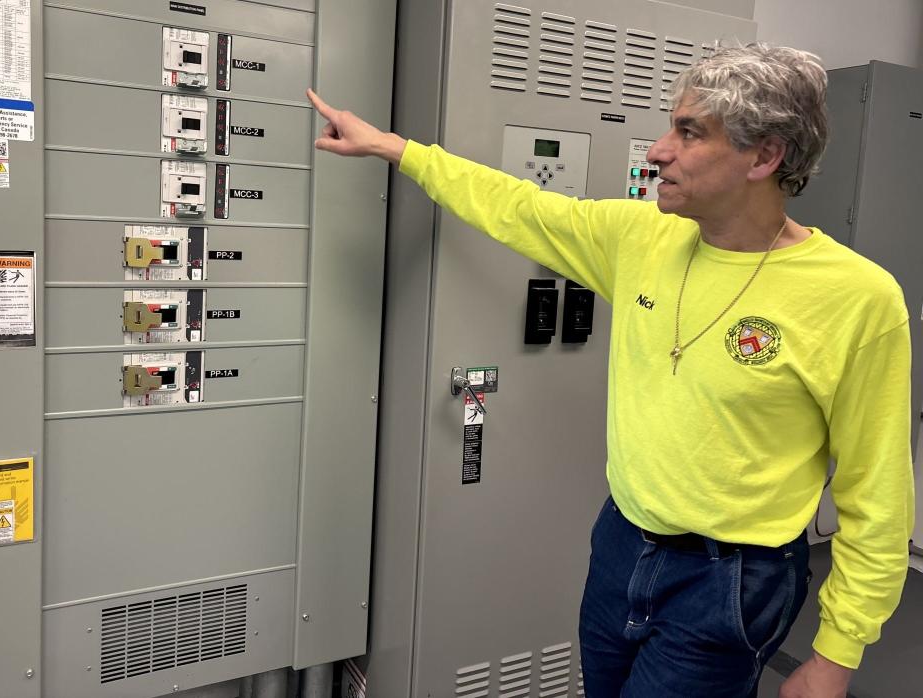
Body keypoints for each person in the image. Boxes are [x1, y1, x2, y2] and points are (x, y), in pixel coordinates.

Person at [307, 43, 914, 698]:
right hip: (623, 545)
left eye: (689, 132)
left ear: (764, 156)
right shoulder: (640, 238)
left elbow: (876, 493)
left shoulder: (856, 299)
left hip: (731, 577)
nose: (657, 150)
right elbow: (518, 207)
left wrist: (835, 655)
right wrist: (398, 150)